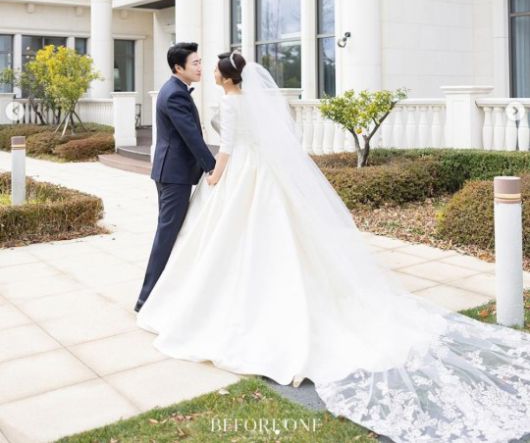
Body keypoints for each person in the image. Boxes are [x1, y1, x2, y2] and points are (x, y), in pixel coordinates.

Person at [137, 51, 530, 442]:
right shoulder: (243, 100)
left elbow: (226, 148)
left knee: (231, 240)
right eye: (199, 64)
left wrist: (214, 176)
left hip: (240, 172)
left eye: (213, 68)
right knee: (272, 234)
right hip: (262, 173)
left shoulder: (230, 102)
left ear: (227, 78)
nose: (207, 70)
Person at [134, 42, 216, 313]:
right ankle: (146, 298)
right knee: (167, 234)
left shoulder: (174, 90)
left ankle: (162, 292)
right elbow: (190, 135)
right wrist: (212, 166)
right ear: (178, 68)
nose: (200, 67)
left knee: (170, 231)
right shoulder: (175, 95)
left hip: (172, 172)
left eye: (200, 62)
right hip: (174, 174)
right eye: (195, 63)